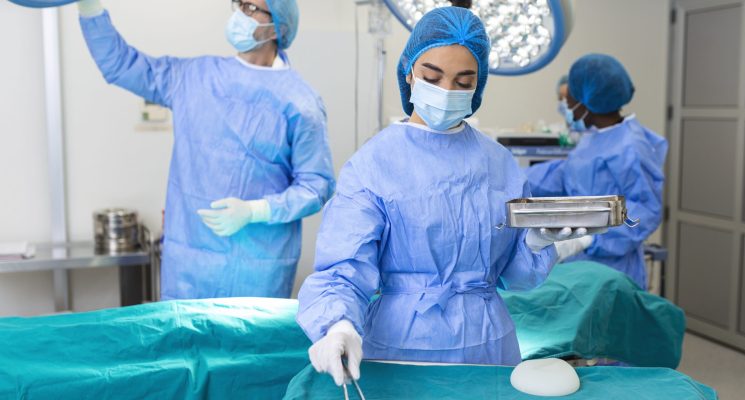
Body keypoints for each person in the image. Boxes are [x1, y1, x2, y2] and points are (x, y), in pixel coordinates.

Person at [295, 7, 600, 386]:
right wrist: (338, 324)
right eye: (432, 77)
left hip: (489, 345)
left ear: (478, 85)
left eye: (463, 81)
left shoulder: (498, 163)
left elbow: (516, 276)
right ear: (409, 72)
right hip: (401, 349)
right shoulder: (374, 164)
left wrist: (536, 242)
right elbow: (343, 268)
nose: (446, 91)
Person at [77, 0, 335, 299]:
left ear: (277, 26)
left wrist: (256, 210)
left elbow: (316, 186)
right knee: (184, 330)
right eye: (238, 4)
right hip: (188, 269)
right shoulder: (194, 77)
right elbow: (121, 65)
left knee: (247, 332)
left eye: (250, 8)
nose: (239, 14)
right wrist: (89, 8)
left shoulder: (300, 103)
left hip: (257, 272)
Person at [526, 54, 668, 289]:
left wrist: (591, 238)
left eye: (569, 99)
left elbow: (645, 210)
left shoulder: (630, 146)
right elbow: (563, 175)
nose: (566, 106)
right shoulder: (594, 139)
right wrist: (508, 175)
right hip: (582, 267)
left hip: (613, 271)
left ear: (586, 101)